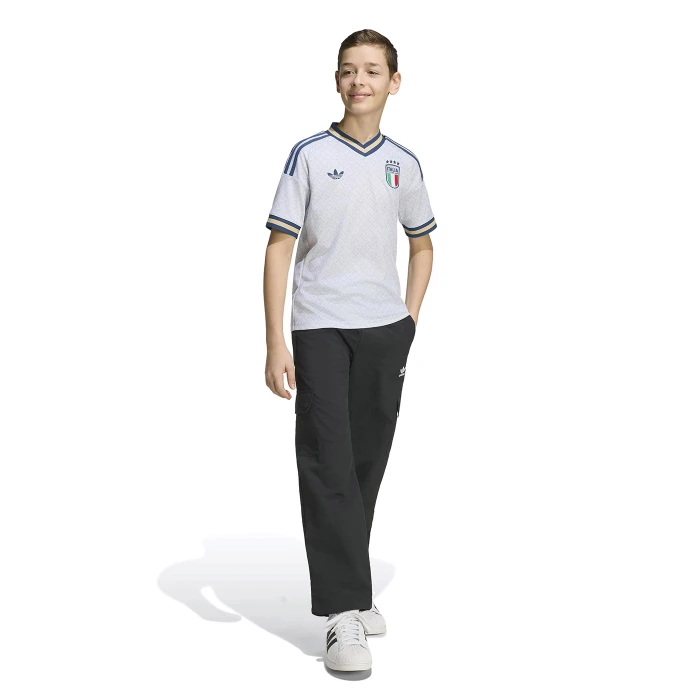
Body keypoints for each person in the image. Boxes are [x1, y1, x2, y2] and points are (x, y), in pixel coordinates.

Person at [262, 28, 436, 673]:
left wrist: (408, 319)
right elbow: (279, 247)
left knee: (365, 462)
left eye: (371, 70)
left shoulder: (404, 164)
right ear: (336, 81)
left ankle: (355, 589)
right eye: (347, 70)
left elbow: (423, 244)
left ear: (394, 82)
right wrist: (275, 338)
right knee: (327, 461)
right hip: (320, 329)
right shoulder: (308, 155)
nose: (358, 80)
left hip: (384, 330)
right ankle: (341, 614)